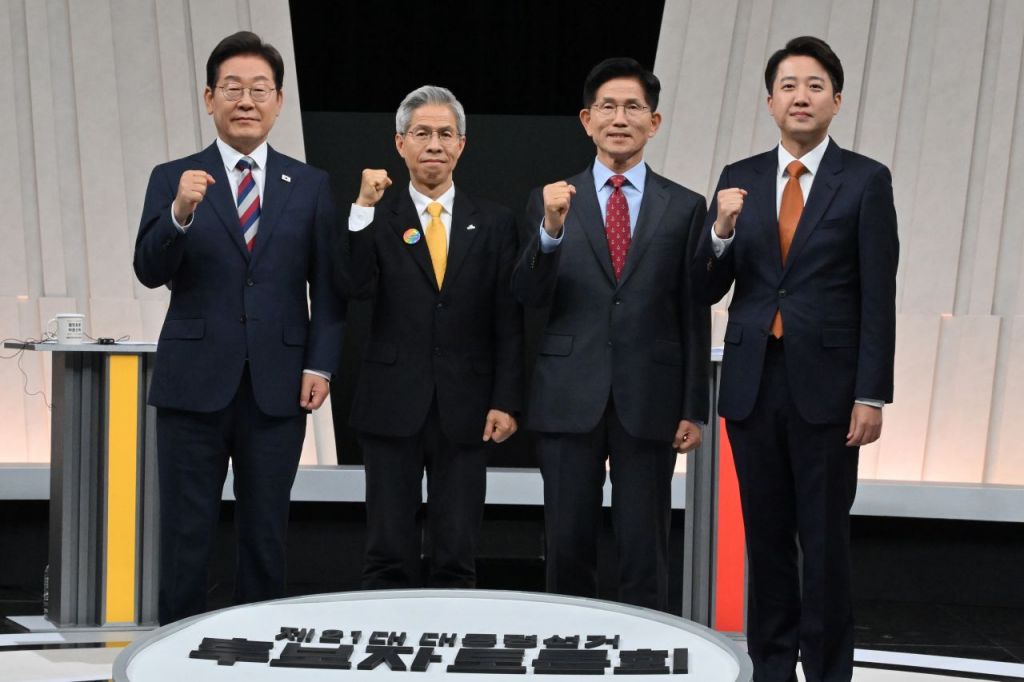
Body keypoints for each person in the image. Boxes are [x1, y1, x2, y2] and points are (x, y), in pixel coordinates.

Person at [692, 36, 899, 682]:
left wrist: (871, 393)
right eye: (788, 85)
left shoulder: (865, 180)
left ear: (836, 101)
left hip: (830, 391)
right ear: (769, 102)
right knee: (767, 539)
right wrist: (720, 231)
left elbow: (878, 295)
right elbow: (706, 288)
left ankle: (830, 670)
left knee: (826, 541)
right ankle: (772, 667)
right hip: (754, 385)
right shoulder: (740, 178)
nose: (800, 96)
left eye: (814, 86)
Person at [133, 31, 344, 624]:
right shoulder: (174, 177)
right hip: (192, 384)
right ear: (209, 99)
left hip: (278, 386)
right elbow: (149, 270)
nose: (245, 100)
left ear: (279, 102)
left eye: (259, 89)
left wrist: (320, 364)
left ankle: (258, 645)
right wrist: (179, 214)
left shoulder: (310, 185)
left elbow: (329, 291)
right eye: (232, 88)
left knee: (265, 530)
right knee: (185, 531)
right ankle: (174, 647)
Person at [510, 58, 710, 611]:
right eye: (607, 107)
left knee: (645, 547)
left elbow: (693, 311)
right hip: (568, 394)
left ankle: (647, 645)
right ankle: (568, 643)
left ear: (654, 122)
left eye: (633, 108)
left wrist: (694, 407)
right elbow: (527, 295)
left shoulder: (685, 206)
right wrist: (550, 232)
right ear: (586, 119)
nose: (620, 118)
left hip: (650, 396)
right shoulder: (551, 199)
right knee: (567, 541)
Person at [335, 85, 523, 589]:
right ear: (400, 144)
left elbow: (508, 319)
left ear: (462, 144)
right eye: (422, 133)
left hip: (468, 405)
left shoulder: (495, 222)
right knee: (387, 554)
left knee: (456, 556)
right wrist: (362, 207)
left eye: (445, 133)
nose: (434, 144)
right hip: (390, 402)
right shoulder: (375, 215)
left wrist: (506, 400)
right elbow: (354, 286)